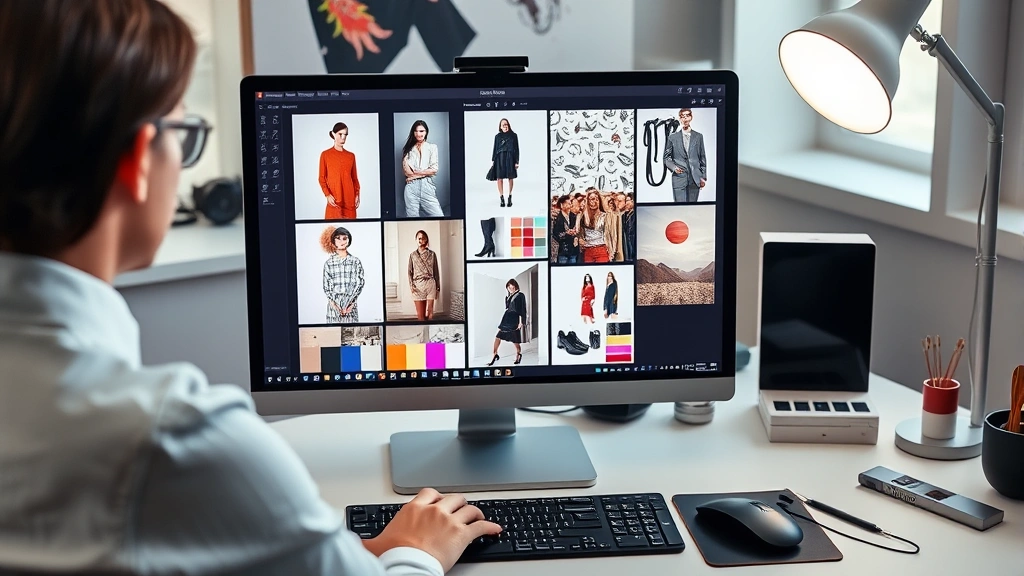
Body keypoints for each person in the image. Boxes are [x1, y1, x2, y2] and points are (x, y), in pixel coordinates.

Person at [0, 2, 499, 575]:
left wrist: (346, 554)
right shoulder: (180, 440)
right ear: (140, 160)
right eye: (183, 133)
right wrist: (421, 552)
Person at [322, 226, 366, 323]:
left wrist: (351, 304)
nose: (341, 241)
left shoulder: (355, 262)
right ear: (333, 241)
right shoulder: (328, 263)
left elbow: (360, 283)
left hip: (351, 309)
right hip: (333, 310)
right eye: (338, 238)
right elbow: (326, 287)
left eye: (344, 238)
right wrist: (335, 305)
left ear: (349, 240)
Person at [663, 108, 707, 203]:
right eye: (682, 117)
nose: (685, 119)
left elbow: (702, 157)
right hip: (679, 177)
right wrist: (674, 168)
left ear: (691, 117)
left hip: (695, 178)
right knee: (679, 207)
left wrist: (703, 176)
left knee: (692, 208)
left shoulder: (698, 136)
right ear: (679, 119)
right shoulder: (672, 137)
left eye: (687, 116)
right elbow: (666, 157)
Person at [319, 121, 361, 219]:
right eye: (340, 134)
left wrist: (357, 195)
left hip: (349, 201)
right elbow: (321, 178)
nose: (343, 138)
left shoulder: (351, 156)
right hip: (334, 201)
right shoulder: (325, 155)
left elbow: (354, 179)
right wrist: (327, 194)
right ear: (333, 134)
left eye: (345, 135)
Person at [402, 119, 443, 217]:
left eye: (421, 131)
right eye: (416, 131)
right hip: (411, 187)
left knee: (438, 216)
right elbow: (407, 173)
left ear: (426, 132)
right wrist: (424, 172)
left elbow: (434, 169)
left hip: (427, 186)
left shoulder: (432, 147)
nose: (418, 134)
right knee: (412, 219)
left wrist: (414, 175)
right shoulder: (408, 149)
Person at [487, 279, 527, 366]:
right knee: (498, 336)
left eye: (511, 285)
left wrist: (521, 322)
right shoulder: (510, 295)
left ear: (515, 285)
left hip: (514, 319)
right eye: (508, 286)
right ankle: (495, 354)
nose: (510, 288)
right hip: (506, 318)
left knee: (515, 339)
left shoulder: (520, 295)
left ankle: (518, 354)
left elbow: (522, 309)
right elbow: (508, 307)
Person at [407, 229, 440, 320]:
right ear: (416, 240)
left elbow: (436, 271)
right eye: (419, 238)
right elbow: (410, 272)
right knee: (420, 317)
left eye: (423, 238)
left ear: (426, 240)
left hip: (430, 284)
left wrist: (438, 286)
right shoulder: (412, 255)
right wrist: (411, 286)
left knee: (430, 315)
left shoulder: (432, 254)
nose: (421, 240)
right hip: (417, 285)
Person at [486, 118, 519, 207]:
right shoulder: (497, 137)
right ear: (500, 127)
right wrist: (493, 160)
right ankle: (501, 198)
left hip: (510, 158)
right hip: (499, 158)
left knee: (510, 177)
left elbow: (517, 149)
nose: (505, 126)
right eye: (503, 125)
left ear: (508, 125)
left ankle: (510, 196)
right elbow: (494, 148)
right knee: (499, 178)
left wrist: (517, 161)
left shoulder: (514, 136)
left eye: (506, 124)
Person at [551, 194, 580, 265]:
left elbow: (578, 230)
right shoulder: (556, 218)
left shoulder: (574, 216)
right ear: (562, 205)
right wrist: (566, 233)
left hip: (573, 250)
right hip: (562, 251)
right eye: (568, 203)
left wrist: (575, 234)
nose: (570, 205)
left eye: (570, 203)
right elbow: (555, 234)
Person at [621, 194, 637, 262]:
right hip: (627, 245)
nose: (626, 203)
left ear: (632, 201)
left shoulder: (635, 214)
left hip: (633, 244)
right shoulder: (624, 215)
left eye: (627, 200)